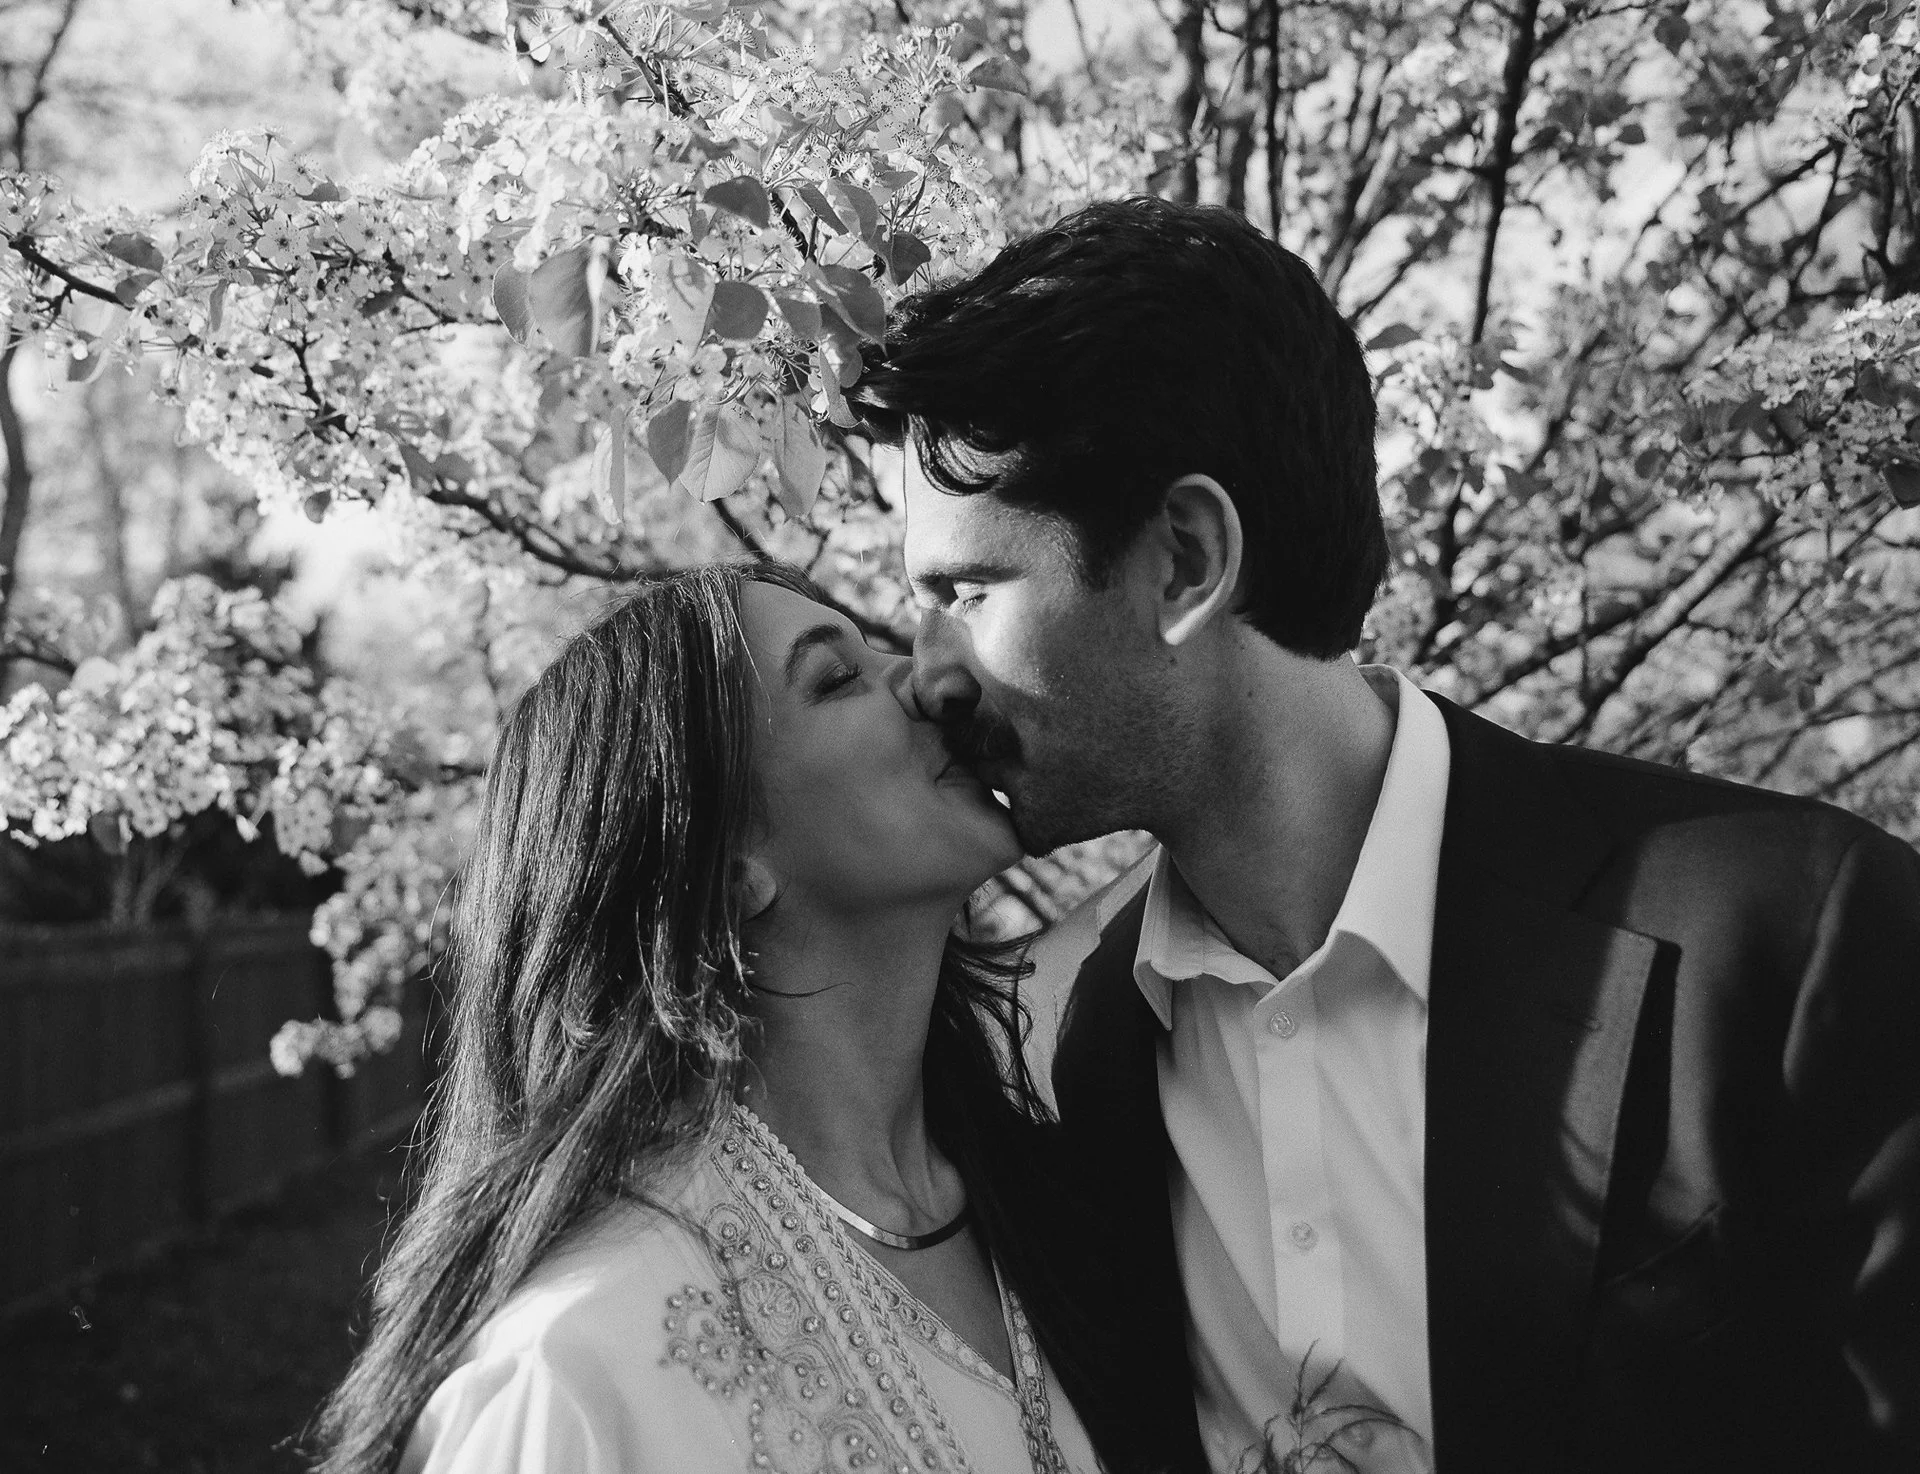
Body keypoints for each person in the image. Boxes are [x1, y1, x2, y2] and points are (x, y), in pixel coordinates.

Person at [856, 197, 1920, 1474]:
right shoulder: (1044, 1059)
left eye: (966, 592)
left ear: (1186, 560)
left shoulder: (1791, 935)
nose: (926, 673)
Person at [313, 562, 1110, 1474]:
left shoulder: (1084, 1156)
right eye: (836, 678)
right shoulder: (581, 1371)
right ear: (726, 871)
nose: (927, 679)